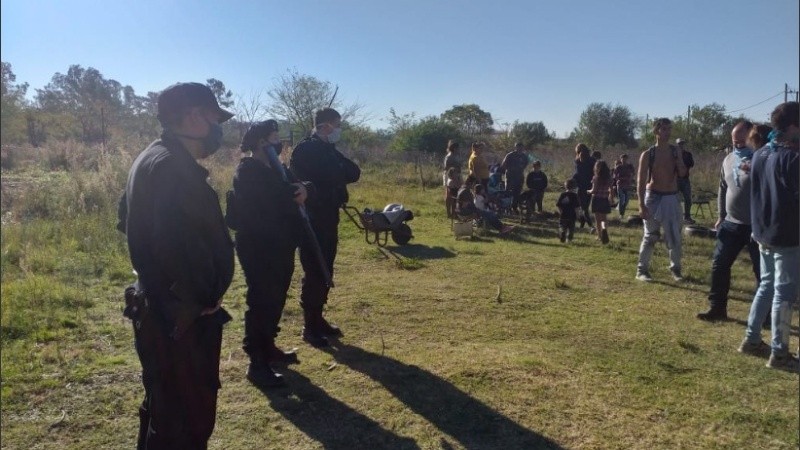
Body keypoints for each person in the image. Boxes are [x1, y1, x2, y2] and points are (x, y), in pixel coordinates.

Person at [117, 82, 235, 449]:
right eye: (215, 118)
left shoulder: (151, 157)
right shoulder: (172, 168)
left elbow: (126, 219)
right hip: (179, 317)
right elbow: (179, 247)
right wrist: (203, 299)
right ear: (193, 116)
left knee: (164, 407)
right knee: (186, 419)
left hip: (161, 308)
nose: (218, 128)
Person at [227, 120, 311, 388]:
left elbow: (298, 185)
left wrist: (304, 189)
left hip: (281, 243)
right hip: (258, 246)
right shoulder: (248, 170)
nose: (279, 141)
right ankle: (257, 362)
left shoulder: (277, 169)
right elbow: (268, 198)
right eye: (274, 136)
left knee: (275, 298)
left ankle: (269, 347)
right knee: (262, 300)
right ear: (262, 142)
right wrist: (291, 193)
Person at [289, 107, 361, 348]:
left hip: (329, 215)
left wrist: (335, 173)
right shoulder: (306, 149)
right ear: (324, 125)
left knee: (326, 266)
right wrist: (334, 174)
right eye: (336, 124)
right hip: (312, 216)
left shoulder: (328, 149)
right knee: (315, 268)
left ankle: (318, 319)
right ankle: (309, 326)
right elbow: (323, 177)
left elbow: (353, 172)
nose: (338, 129)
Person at [738, 101, 800, 371]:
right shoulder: (792, 157)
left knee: (766, 287)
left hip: (762, 232)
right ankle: (780, 353)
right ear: (793, 126)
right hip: (786, 235)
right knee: (783, 295)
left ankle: (751, 340)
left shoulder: (762, 153)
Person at [697, 121, 761, 322]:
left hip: (757, 225)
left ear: (752, 138)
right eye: (735, 142)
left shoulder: (762, 159)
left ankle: (764, 315)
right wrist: (720, 216)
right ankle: (717, 308)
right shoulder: (728, 159)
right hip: (731, 223)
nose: (738, 145)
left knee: (761, 271)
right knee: (719, 265)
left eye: (742, 142)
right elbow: (722, 188)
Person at [635, 118, 688, 282]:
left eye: (669, 129)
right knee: (650, 235)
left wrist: (678, 159)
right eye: (664, 129)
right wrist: (641, 204)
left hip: (671, 197)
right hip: (654, 197)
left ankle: (676, 269)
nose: (668, 132)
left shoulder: (675, 151)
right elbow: (641, 180)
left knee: (674, 237)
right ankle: (642, 270)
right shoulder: (648, 154)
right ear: (656, 131)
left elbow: (683, 173)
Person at [572, 144, 596, 230]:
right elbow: (577, 173)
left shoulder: (592, 161)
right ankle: (588, 225)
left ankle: (587, 224)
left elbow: (594, 173)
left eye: (578, 152)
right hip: (580, 187)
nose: (578, 154)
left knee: (584, 207)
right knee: (584, 208)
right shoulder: (577, 161)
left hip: (588, 186)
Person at [499, 142, 529, 212]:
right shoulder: (510, 155)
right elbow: (503, 165)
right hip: (510, 177)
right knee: (508, 192)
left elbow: (525, 164)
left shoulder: (524, 156)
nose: (520, 149)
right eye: (518, 147)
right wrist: (510, 170)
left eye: (522, 147)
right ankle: (506, 208)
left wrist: (520, 169)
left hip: (519, 177)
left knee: (517, 193)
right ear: (516, 147)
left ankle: (514, 207)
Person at [589, 160, 613, 244]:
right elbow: (611, 189)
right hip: (605, 199)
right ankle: (604, 229)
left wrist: (588, 191)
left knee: (597, 219)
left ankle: (599, 236)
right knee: (604, 219)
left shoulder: (596, 178)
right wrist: (612, 198)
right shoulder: (609, 178)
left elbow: (594, 190)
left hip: (596, 199)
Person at [675, 138, 696, 224]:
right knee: (675, 199)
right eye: (679, 144)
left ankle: (687, 217)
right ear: (677, 145)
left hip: (685, 179)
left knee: (688, 199)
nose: (681, 145)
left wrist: (682, 163)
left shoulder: (688, 154)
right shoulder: (673, 154)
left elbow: (691, 164)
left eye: (682, 144)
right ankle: (675, 217)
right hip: (675, 180)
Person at [443, 140, 462, 218]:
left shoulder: (456, 156)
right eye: (458, 148)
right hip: (450, 176)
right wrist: (452, 177)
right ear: (454, 148)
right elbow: (447, 168)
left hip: (457, 175)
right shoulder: (449, 157)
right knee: (449, 195)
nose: (459, 150)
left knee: (456, 194)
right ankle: (448, 213)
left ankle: (454, 212)